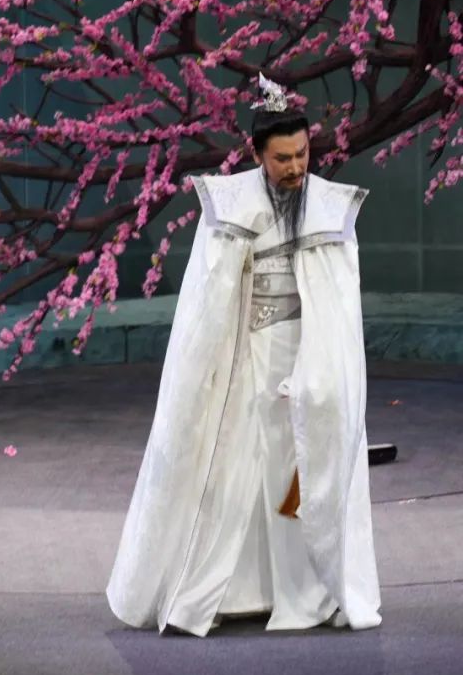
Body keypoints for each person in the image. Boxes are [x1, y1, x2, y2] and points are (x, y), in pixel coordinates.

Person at [106, 76, 381, 636]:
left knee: (301, 477)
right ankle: (225, 595)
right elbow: (207, 296)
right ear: (257, 155)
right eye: (282, 158)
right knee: (230, 473)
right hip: (243, 355)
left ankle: (307, 591)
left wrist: (322, 369)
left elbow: (338, 303)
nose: (295, 167)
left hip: (307, 356)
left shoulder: (329, 208)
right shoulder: (230, 205)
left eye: (302, 154)